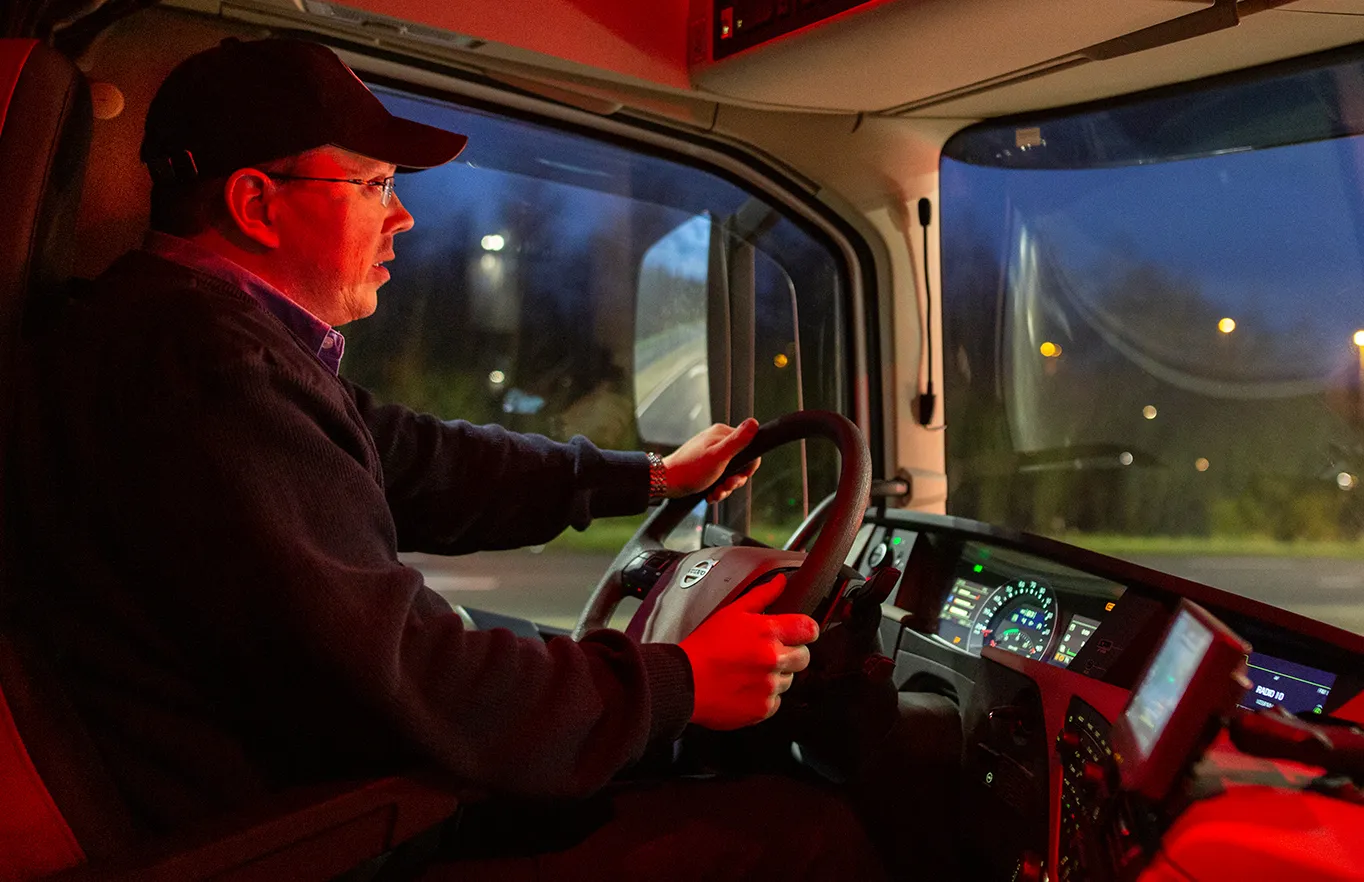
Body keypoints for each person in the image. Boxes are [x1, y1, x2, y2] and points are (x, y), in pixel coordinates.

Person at [12, 37, 888, 880]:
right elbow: (404, 670)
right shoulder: (209, 374)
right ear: (256, 204)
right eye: (375, 184)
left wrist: (651, 477)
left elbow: (416, 460)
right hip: (308, 842)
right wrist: (677, 683)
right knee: (805, 833)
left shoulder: (173, 335)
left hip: (304, 807)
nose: (402, 216)